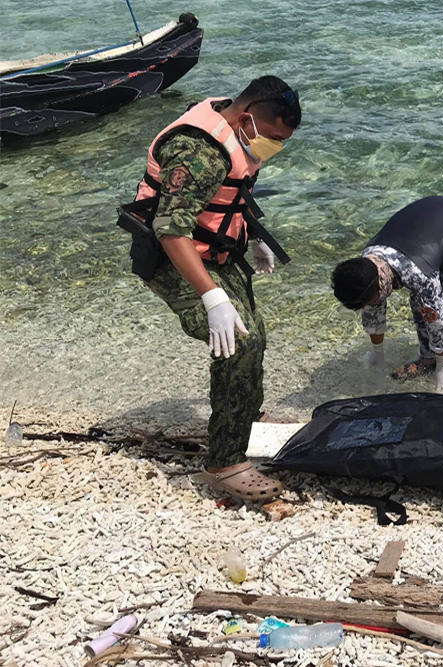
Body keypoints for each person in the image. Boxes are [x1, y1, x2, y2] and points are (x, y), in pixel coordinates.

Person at [117, 76, 301, 500]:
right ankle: (225, 463)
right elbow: (170, 230)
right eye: (273, 137)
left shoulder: (236, 131)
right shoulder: (197, 151)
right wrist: (211, 295)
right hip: (173, 257)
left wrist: (253, 236)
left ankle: (244, 417)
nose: (275, 147)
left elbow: (230, 195)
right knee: (239, 342)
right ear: (248, 116)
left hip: (217, 249)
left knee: (255, 336)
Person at [331, 196, 443, 398]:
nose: (369, 305)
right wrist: (377, 351)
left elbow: (437, 317)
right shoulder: (367, 264)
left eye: (369, 300)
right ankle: (428, 359)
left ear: (378, 288)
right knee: (419, 304)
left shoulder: (416, 272)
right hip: (439, 240)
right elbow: (372, 307)